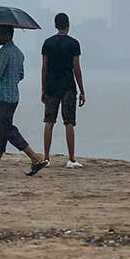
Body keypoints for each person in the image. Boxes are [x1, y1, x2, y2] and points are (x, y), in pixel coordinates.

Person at [0, 25, 48, 176]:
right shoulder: (19, 53)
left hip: (4, 97)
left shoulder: (4, 53)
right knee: (2, 129)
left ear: (7, 34)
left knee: (7, 129)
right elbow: (21, 75)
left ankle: (35, 158)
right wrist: (10, 80)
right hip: (14, 96)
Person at [41, 12, 86, 168]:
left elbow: (44, 68)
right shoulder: (74, 44)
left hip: (51, 86)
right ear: (68, 25)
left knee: (49, 121)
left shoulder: (47, 43)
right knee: (69, 122)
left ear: (55, 25)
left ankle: (46, 158)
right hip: (68, 86)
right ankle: (71, 159)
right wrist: (82, 90)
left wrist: (43, 89)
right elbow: (77, 69)